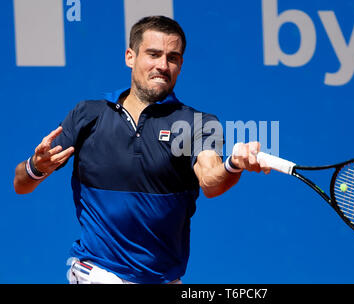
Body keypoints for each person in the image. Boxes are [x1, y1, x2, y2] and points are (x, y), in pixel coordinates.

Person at [13, 16, 270, 284]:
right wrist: (36, 166)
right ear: (130, 57)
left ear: (180, 65)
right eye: (154, 54)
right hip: (98, 273)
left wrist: (233, 165)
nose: (163, 65)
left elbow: (211, 181)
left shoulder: (197, 124)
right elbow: (21, 184)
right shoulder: (87, 115)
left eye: (173, 57)